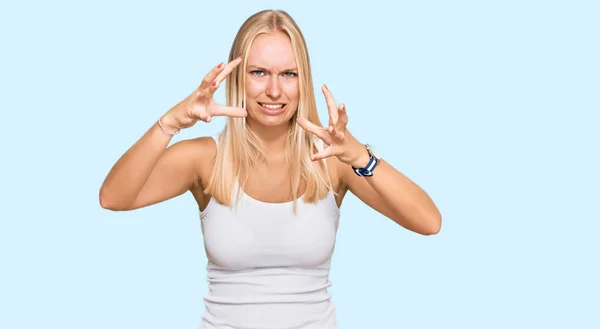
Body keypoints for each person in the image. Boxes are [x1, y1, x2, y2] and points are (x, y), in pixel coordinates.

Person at [99, 9, 441, 329]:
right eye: (258, 72)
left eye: (288, 74)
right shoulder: (205, 159)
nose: (274, 90)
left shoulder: (333, 161)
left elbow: (429, 222)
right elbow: (113, 197)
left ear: (303, 80)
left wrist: (361, 158)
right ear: (237, 78)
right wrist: (171, 121)